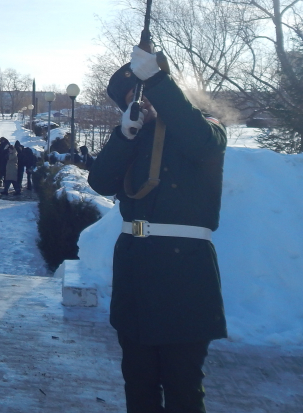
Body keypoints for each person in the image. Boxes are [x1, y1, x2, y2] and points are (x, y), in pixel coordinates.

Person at [87, 46, 227, 412]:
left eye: (144, 92)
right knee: (139, 383)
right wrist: (123, 137)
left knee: (183, 388)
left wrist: (159, 82)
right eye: (133, 98)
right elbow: (100, 182)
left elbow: (202, 142)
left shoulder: (201, 126)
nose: (142, 103)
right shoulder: (130, 138)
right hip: (135, 271)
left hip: (184, 273)